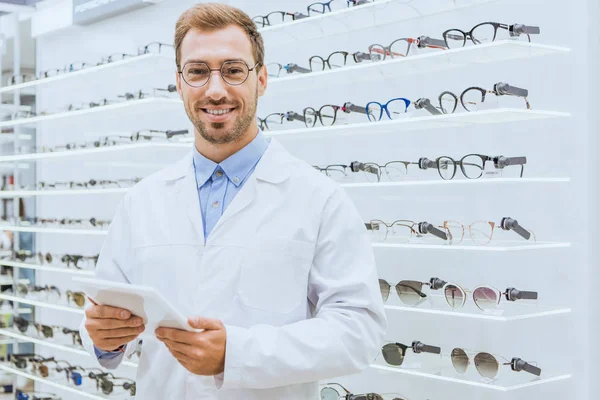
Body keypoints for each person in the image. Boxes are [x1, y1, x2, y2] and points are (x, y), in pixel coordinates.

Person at [79, 3, 386, 399]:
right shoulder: (141, 202)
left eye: (233, 70)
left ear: (261, 79)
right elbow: (103, 310)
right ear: (179, 82)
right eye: (197, 71)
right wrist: (107, 337)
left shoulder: (320, 199)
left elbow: (358, 331)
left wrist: (237, 353)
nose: (215, 89)